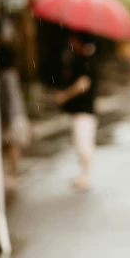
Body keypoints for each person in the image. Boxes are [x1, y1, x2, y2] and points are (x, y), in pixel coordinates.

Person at [54, 33, 98, 192]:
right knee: (82, 143)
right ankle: (84, 175)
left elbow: (83, 84)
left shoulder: (85, 61)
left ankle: (85, 176)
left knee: (83, 144)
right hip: (83, 111)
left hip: (84, 111)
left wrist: (64, 96)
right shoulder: (81, 60)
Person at [0, 19, 30, 187]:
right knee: (10, 147)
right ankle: (10, 174)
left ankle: (13, 174)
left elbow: (9, 99)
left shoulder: (5, 77)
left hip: (11, 117)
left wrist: (8, 119)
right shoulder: (13, 74)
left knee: (10, 146)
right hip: (16, 115)